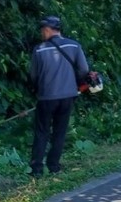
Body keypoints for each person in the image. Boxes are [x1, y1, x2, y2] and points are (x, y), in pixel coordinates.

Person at [28, 15, 89, 178]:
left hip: (46, 97)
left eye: (42, 30)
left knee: (42, 132)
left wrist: (37, 88)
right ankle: (54, 166)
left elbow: (33, 76)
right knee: (60, 132)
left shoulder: (39, 49)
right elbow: (84, 69)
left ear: (48, 29)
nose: (42, 33)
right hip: (68, 96)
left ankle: (37, 169)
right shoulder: (74, 46)